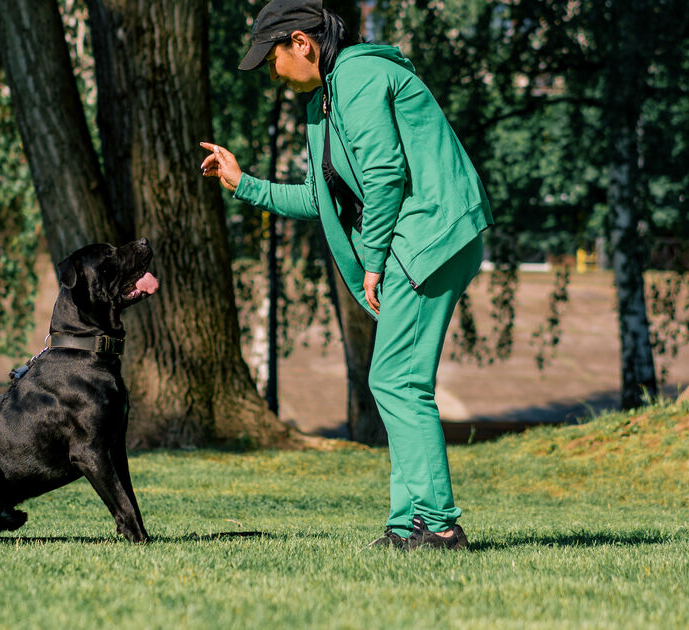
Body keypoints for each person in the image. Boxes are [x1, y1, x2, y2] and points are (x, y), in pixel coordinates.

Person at [200, 0, 493, 551]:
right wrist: (244, 184)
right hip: (422, 235)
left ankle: (438, 523)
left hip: (429, 233)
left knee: (397, 381)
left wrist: (375, 262)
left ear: (301, 42)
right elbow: (324, 196)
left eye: (272, 57)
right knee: (396, 381)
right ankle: (408, 524)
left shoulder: (358, 74)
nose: (272, 72)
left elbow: (385, 177)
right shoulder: (326, 103)